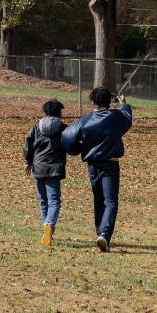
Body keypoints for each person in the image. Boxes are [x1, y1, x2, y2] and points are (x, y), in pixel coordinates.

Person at [61, 88, 133, 253]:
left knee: (98, 199)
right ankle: (104, 234)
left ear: (92, 102)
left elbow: (66, 137)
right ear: (109, 101)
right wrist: (124, 104)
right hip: (110, 164)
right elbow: (127, 118)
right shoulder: (116, 117)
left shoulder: (85, 120)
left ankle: (100, 232)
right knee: (110, 201)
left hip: (92, 165)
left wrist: (77, 149)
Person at [23, 99, 67, 246]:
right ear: (59, 112)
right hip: (55, 169)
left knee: (43, 200)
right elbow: (71, 143)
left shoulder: (36, 128)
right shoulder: (63, 128)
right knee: (54, 200)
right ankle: (48, 225)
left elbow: (28, 145)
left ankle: (46, 230)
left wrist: (28, 162)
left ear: (45, 112)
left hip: (38, 168)